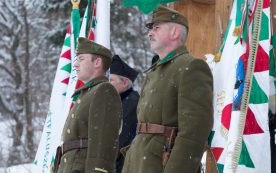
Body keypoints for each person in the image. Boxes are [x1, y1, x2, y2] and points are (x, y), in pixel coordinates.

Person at [121, 5, 213, 173]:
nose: (150, 33)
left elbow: (195, 130)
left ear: (175, 33)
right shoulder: (154, 71)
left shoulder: (191, 66)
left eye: (157, 28)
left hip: (162, 164)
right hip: (140, 163)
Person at [53, 37, 122, 173]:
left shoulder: (104, 91)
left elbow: (103, 141)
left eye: (81, 59)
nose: (76, 65)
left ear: (97, 62)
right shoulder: (85, 94)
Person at [109, 55, 140, 173]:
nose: (108, 83)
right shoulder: (120, 101)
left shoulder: (132, 103)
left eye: (111, 80)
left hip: (122, 166)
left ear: (125, 82)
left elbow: (121, 139)